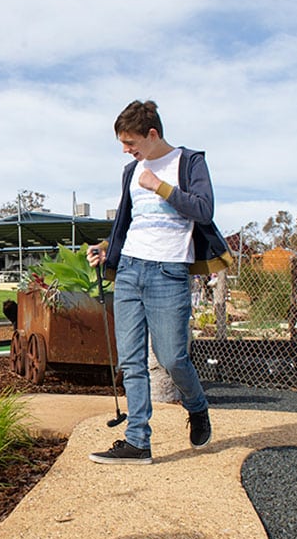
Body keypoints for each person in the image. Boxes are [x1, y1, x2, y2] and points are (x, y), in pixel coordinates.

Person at [87, 100, 231, 465]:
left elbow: (204, 209)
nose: (126, 150)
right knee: (132, 361)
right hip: (131, 269)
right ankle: (138, 441)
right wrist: (106, 248)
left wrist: (161, 187)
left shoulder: (189, 161)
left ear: (152, 134)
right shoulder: (130, 171)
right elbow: (130, 222)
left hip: (169, 272)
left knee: (171, 358)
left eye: (131, 142)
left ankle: (197, 406)